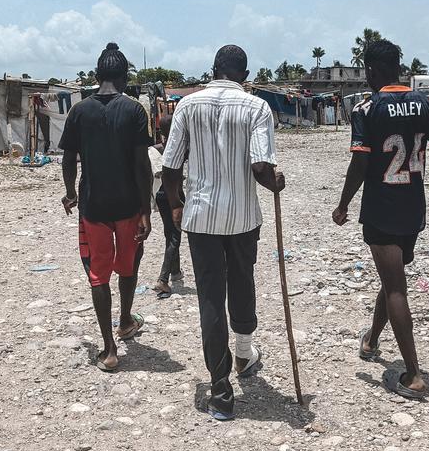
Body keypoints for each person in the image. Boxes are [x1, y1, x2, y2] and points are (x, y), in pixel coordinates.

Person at [332, 39, 429, 400]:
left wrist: (343, 204)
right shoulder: (428, 105)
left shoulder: (366, 109)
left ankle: (413, 374)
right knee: (393, 278)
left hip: (382, 208)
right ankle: (370, 340)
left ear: (370, 70)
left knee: (395, 286)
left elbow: (361, 163)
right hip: (413, 209)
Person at [162, 44, 285, 421]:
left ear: (213, 69)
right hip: (243, 217)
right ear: (244, 76)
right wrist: (276, 183)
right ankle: (244, 353)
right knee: (243, 281)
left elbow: (169, 169)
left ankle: (220, 390)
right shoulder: (256, 107)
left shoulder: (187, 105)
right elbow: (260, 168)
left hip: (200, 218)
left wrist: (178, 205)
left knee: (211, 298)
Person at [59, 43, 153, 372]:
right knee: (128, 267)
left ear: (98, 76)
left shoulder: (79, 111)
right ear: (124, 77)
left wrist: (70, 192)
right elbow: (142, 164)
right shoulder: (135, 110)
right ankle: (126, 320)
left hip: (93, 207)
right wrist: (146, 209)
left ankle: (109, 349)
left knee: (98, 275)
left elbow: (69, 158)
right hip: (128, 205)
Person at [150, 114, 185, 297]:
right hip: (176, 195)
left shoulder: (155, 150)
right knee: (175, 236)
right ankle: (163, 279)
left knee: (169, 231)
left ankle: (175, 271)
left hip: (160, 196)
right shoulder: (180, 149)